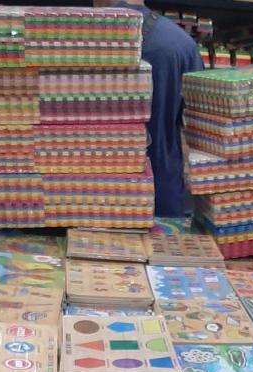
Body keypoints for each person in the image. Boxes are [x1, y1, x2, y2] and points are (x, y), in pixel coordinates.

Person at [95, 0, 203, 217]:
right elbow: (202, 132)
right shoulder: (182, 44)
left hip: (86, 196)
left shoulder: (74, 39)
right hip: (161, 196)